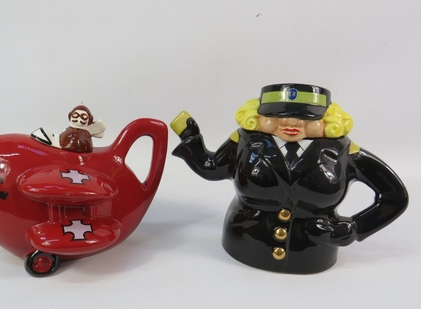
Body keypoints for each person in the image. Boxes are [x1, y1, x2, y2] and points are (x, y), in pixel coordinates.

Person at [171, 83, 408, 274]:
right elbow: (212, 168)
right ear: (257, 116)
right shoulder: (244, 141)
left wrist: (355, 228)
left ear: (329, 121)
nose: (291, 123)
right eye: (276, 116)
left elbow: (393, 195)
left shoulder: (345, 152)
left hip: (313, 253)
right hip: (246, 243)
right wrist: (191, 139)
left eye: (308, 118)